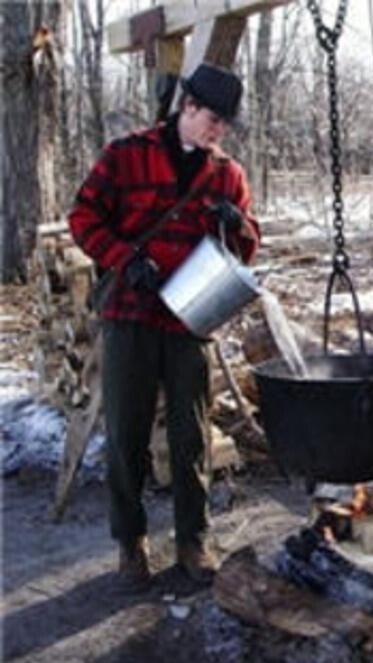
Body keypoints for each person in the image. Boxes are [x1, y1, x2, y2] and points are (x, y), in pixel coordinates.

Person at [69, 63, 261, 590]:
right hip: (131, 315)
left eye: (225, 124)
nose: (217, 131)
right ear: (188, 106)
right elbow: (82, 218)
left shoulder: (227, 174)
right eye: (212, 119)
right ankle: (130, 543)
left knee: (190, 435)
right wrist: (123, 257)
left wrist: (236, 226)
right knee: (127, 432)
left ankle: (192, 540)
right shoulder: (126, 154)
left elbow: (246, 248)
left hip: (190, 319)